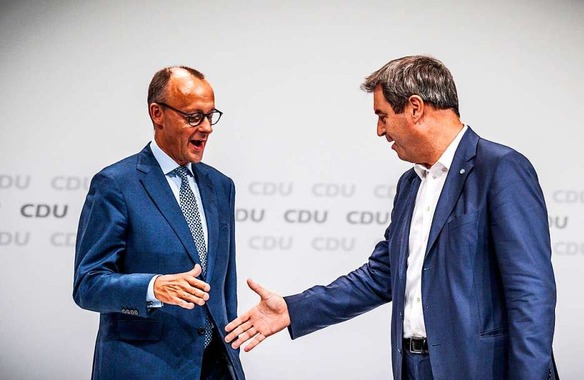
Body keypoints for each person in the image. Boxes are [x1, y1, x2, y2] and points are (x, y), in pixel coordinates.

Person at [224, 56, 558, 379]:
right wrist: (293, 309)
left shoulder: (500, 169)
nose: (380, 131)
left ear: (415, 108)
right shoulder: (410, 184)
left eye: (383, 116)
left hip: (480, 369)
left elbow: (531, 293)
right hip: (412, 367)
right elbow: (382, 275)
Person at [73, 66, 244, 380]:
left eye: (210, 115)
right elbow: (88, 285)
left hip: (214, 369)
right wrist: (153, 287)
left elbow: (224, 287)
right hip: (143, 367)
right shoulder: (116, 184)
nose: (206, 128)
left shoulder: (221, 186)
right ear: (157, 113)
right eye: (194, 117)